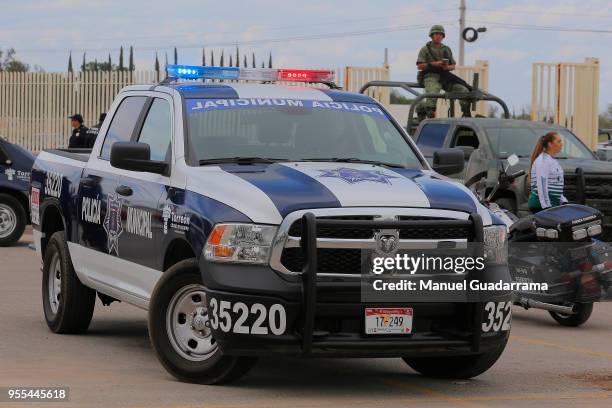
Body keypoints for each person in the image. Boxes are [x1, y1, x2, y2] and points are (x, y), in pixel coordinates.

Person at [416, 25, 471, 121]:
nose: (438, 36)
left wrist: (446, 67)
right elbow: (420, 66)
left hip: (445, 77)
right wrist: (434, 64)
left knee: (463, 90)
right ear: (432, 36)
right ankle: (425, 112)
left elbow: (453, 65)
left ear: (443, 36)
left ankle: (466, 115)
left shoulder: (446, 49)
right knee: (432, 96)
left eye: (440, 34)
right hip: (430, 76)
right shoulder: (425, 49)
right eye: (436, 34)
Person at [528, 131, 567, 213]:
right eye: (558, 141)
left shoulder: (552, 160)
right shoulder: (543, 160)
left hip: (552, 203)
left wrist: (563, 201)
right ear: (550, 144)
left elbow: (554, 183)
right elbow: (542, 184)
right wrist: (546, 207)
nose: (561, 144)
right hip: (540, 205)